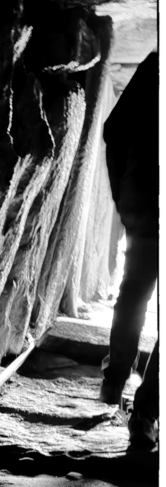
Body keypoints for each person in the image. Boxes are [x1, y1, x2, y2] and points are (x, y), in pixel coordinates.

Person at [99, 51, 158, 451]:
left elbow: (114, 128)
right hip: (145, 199)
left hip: (146, 198)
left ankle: (114, 379)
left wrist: (125, 196)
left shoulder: (156, 65)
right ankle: (146, 416)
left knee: (134, 290)